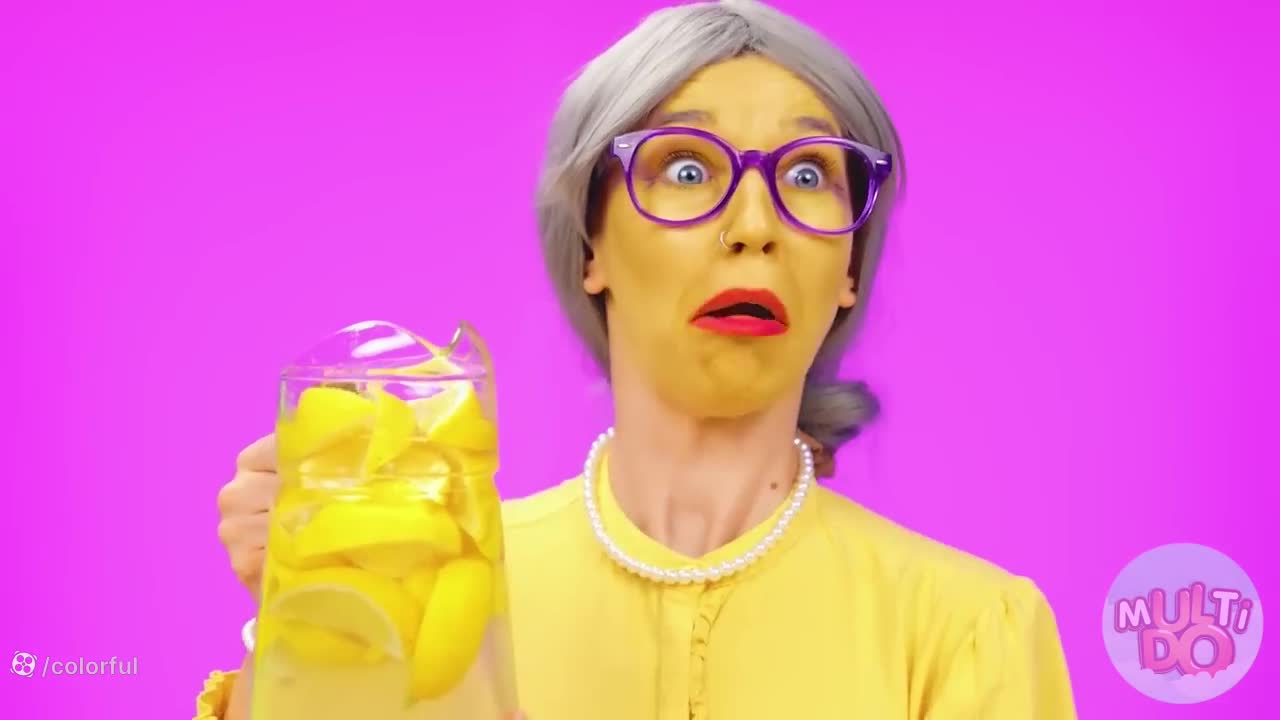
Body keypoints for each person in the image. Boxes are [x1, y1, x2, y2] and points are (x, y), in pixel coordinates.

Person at [199, 0, 1078, 718]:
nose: (755, 226)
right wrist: (301, 623)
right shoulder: (441, 582)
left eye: (810, 174)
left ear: (849, 266)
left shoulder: (970, 630)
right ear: (592, 245)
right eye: (687, 169)